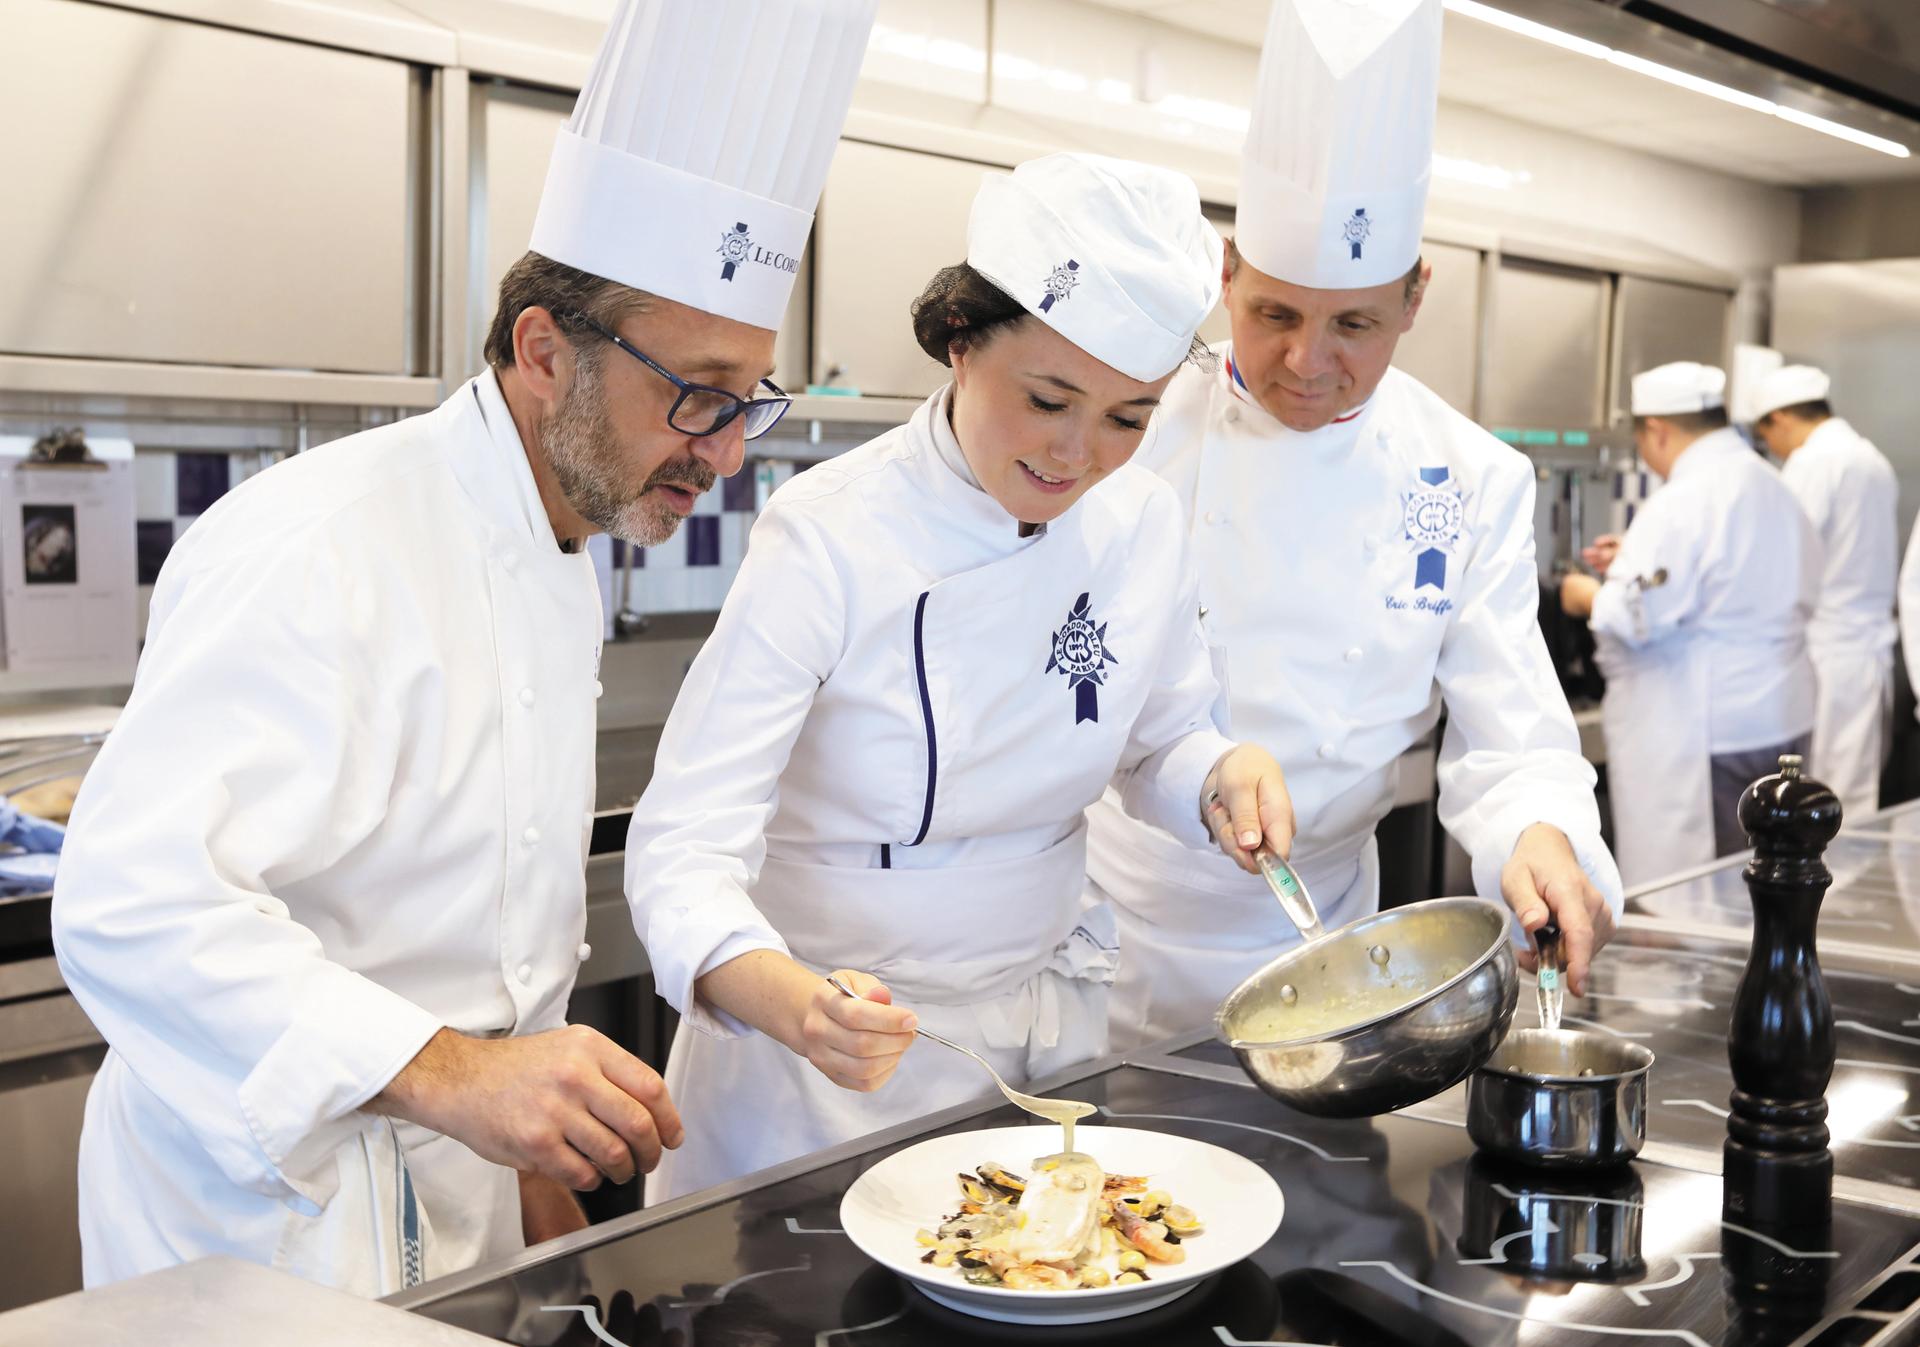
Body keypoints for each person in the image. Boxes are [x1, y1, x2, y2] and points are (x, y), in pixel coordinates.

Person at [49, 0, 876, 1295]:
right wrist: (458, 1073)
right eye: (696, 396)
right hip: (261, 1223)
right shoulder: (321, 544)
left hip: (455, 1188)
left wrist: (526, 1143)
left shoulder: (560, 538)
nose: (724, 454)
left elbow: (494, 914)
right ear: (545, 352)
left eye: (746, 403)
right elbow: (129, 906)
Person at [624, 153, 1294, 1202]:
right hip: (822, 1072)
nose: (1078, 455)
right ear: (960, 342)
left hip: (1039, 1045)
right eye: (1048, 399)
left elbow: (1160, 739)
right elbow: (681, 849)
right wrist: (794, 1004)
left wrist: (1220, 775)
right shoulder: (830, 534)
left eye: (1129, 418)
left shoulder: (1142, 523)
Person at [1084, 0, 1622, 1053]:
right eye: (1274, 313)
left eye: (1355, 325)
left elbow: (1512, 737)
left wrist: (1541, 834)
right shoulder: (1129, 430)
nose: (1306, 360)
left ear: (1416, 298)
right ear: (1227, 274)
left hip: (1328, 943)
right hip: (1112, 929)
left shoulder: (1469, 478)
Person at [1561, 362, 1820, 884]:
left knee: (1709, 886)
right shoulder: (1772, 484)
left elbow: (1635, 617)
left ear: (1657, 430)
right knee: (1769, 876)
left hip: (1710, 728)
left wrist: (1584, 594)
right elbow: (1730, 578)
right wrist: (1634, 557)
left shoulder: (1684, 499)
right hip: (1781, 714)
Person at [1750, 364, 1898, 818]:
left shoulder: (1814, 462)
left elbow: (1782, 553)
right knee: (1852, 796)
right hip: (1867, 656)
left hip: (1829, 656)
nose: (1772, 450)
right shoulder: (1871, 458)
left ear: (1780, 419)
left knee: (1824, 803)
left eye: (1765, 436)